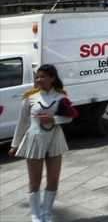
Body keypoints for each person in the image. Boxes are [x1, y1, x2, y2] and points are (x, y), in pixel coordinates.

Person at [10, 64, 78, 221]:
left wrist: (53, 119)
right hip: (34, 140)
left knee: (53, 179)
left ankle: (47, 212)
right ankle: (35, 214)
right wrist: (15, 144)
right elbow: (22, 123)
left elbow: (69, 118)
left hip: (55, 140)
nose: (39, 79)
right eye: (37, 77)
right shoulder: (29, 98)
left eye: (42, 76)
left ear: (52, 78)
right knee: (35, 180)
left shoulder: (62, 97)